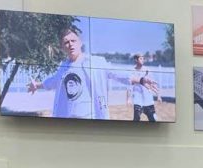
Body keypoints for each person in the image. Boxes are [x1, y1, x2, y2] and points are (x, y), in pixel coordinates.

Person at [27, 28, 157, 120]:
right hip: (67, 118)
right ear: (62, 47)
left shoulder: (95, 62)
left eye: (73, 40)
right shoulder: (63, 66)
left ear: (80, 42)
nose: (70, 44)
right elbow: (53, 81)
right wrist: (37, 85)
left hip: (90, 117)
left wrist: (140, 80)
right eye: (66, 42)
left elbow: (116, 73)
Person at [131, 53, 161, 122]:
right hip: (138, 100)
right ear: (136, 60)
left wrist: (158, 95)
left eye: (143, 58)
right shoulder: (132, 71)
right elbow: (129, 85)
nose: (143, 60)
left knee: (153, 120)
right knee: (136, 120)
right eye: (141, 58)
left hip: (148, 100)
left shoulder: (147, 70)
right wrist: (128, 99)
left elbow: (152, 83)